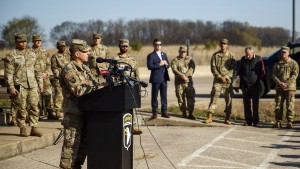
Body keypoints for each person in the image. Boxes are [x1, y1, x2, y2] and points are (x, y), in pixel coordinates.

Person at [59, 39, 106, 169]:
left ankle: (77, 166)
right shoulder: (68, 69)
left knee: (84, 144)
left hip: (86, 111)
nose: (88, 53)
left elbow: (94, 85)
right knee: (71, 145)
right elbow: (78, 90)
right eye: (85, 51)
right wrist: (98, 88)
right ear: (76, 54)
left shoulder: (85, 68)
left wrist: (103, 86)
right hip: (74, 114)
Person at [4, 33, 43, 137]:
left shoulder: (32, 53)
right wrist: (11, 87)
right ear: (16, 42)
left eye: (25, 41)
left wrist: (40, 84)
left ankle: (34, 128)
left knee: (34, 106)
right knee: (21, 107)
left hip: (33, 84)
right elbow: (8, 73)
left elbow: (38, 70)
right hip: (19, 84)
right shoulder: (11, 55)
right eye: (21, 41)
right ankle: (23, 128)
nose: (23, 43)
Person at [113, 39, 142, 135]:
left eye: (126, 46)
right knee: (119, 107)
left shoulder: (132, 60)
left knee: (131, 106)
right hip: (119, 87)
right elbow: (111, 74)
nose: (124, 48)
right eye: (123, 46)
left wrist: (137, 85)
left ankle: (133, 126)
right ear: (119, 46)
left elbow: (136, 74)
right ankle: (118, 126)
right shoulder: (115, 59)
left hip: (130, 87)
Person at [204, 38, 235, 125]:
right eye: (221, 44)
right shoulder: (215, 55)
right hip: (218, 81)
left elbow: (233, 69)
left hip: (227, 81)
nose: (223, 45)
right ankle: (209, 117)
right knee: (214, 98)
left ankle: (227, 118)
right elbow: (213, 68)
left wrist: (226, 77)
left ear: (227, 45)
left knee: (228, 99)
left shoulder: (231, 56)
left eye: (224, 44)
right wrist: (219, 76)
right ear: (219, 45)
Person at [272, 46, 299, 129]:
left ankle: (289, 122)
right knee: (278, 105)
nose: (283, 54)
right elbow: (273, 75)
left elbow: (295, 75)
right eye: (282, 52)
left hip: (290, 88)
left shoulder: (293, 63)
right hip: (280, 88)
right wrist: (280, 83)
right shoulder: (277, 64)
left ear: (288, 53)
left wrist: (287, 83)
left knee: (290, 105)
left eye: (285, 52)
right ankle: (278, 121)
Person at [238, 47, 265, 126]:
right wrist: (242, 79)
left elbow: (262, 71)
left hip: (255, 85)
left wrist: (258, 79)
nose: (248, 56)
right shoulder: (243, 59)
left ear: (253, 53)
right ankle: (248, 121)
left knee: (255, 104)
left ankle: (255, 121)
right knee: (246, 104)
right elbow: (240, 71)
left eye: (249, 55)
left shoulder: (259, 59)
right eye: (246, 54)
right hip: (245, 86)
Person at [31, 34, 56, 120]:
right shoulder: (29, 51)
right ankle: (36, 114)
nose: (38, 42)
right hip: (34, 77)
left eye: (40, 41)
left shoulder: (44, 51)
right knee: (35, 95)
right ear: (33, 41)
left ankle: (50, 112)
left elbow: (48, 64)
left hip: (44, 77)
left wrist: (46, 73)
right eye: (36, 40)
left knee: (48, 94)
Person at [147, 39, 170, 119]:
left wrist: (166, 64)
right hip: (156, 79)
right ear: (154, 45)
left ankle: (164, 112)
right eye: (157, 44)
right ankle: (154, 112)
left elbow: (168, 65)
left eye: (160, 44)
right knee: (154, 97)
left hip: (164, 78)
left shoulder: (164, 54)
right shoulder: (151, 55)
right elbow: (149, 66)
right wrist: (159, 65)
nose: (158, 46)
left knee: (164, 96)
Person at [171, 46, 196, 119]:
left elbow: (192, 68)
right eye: (181, 52)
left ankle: (191, 113)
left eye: (184, 52)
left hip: (188, 82)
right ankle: (184, 113)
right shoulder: (175, 60)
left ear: (186, 52)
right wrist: (182, 76)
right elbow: (174, 69)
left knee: (190, 98)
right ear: (179, 52)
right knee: (180, 98)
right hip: (179, 83)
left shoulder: (190, 59)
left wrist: (186, 76)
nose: (183, 53)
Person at [51, 41, 71, 119]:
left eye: (63, 46)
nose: (62, 47)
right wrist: (59, 76)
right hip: (58, 78)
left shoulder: (68, 55)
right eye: (60, 46)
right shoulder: (55, 56)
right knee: (59, 95)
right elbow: (54, 68)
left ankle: (67, 110)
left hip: (68, 78)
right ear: (58, 47)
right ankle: (57, 111)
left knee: (68, 94)